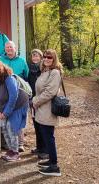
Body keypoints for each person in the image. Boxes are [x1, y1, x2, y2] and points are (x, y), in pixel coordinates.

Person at [0, 58, 29, 162]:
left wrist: (5, 113)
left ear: (0, 66)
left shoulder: (9, 78)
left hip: (17, 105)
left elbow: (13, 97)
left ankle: (15, 153)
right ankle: (10, 150)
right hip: (3, 106)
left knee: (11, 127)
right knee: (4, 128)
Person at [32, 49, 63, 177]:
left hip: (47, 110)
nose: (46, 59)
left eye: (49, 57)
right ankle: (50, 160)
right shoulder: (45, 71)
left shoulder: (55, 72)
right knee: (46, 137)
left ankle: (54, 166)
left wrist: (35, 101)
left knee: (49, 138)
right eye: (45, 57)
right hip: (42, 109)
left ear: (54, 59)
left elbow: (50, 92)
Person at [0, 40, 30, 151]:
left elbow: (27, 76)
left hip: (20, 95)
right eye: (7, 48)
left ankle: (20, 143)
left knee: (19, 118)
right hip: (5, 94)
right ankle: (8, 142)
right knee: (6, 117)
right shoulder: (1, 60)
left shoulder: (22, 61)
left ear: (15, 48)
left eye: (11, 47)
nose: (9, 49)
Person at [27, 49, 47, 159]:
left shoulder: (43, 69)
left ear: (41, 57)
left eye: (37, 56)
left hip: (41, 101)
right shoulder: (30, 69)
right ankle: (39, 147)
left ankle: (45, 150)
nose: (35, 58)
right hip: (32, 100)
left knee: (42, 124)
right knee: (36, 124)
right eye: (33, 56)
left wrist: (39, 99)